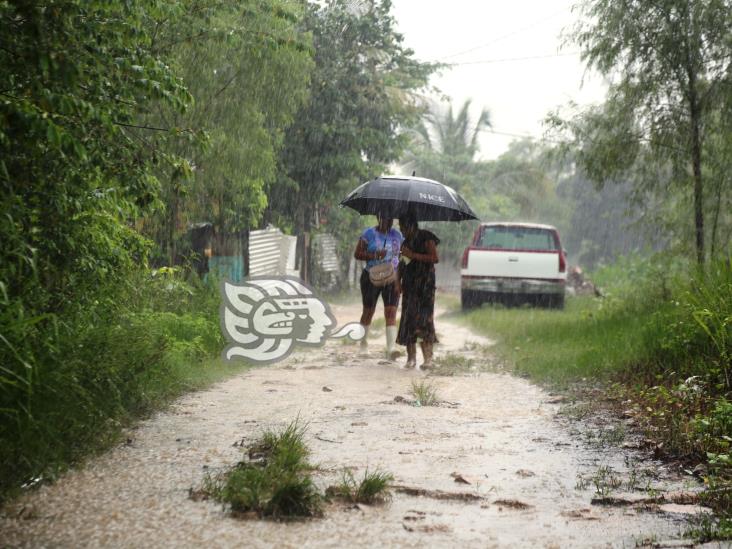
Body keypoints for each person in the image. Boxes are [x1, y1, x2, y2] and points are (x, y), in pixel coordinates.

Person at [353, 214, 403, 359]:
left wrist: (400, 278)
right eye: (385, 218)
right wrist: (374, 255)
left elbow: (401, 256)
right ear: (378, 218)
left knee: (391, 311)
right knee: (368, 311)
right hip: (371, 277)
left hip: (391, 277)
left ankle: (391, 348)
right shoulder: (368, 234)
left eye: (390, 219)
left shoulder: (398, 235)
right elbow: (358, 254)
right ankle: (363, 344)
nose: (388, 221)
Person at [396, 214, 440, 369]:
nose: (402, 231)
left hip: (425, 287)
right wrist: (397, 282)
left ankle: (428, 359)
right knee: (408, 320)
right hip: (409, 286)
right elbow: (401, 264)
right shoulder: (405, 243)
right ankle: (411, 358)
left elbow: (434, 258)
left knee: (425, 321)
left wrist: (413, 255)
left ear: (411, 226)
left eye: (403, 228)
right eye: (400, 228)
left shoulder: (426, 237)